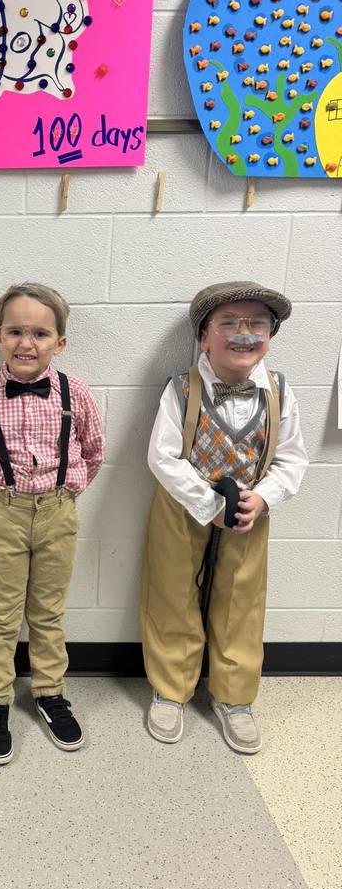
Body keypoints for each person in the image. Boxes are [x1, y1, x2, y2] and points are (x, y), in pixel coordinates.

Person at [141, 281, 308, 754]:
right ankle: (171, 688)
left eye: (256, 323)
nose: (243, 333)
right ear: (204, 335)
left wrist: (263, 497)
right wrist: (210, 504)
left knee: (242, 601)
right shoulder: (181, 389)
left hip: (249, 511)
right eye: (229, 323)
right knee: (172, 593)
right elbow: (163, 457)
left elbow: (292, 458)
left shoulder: (279, 392)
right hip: (184, 508)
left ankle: (234, 697)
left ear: (270, 335)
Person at [0, 283, 104, 764]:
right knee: (0, 613)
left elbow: (95, 452)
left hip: (59, 511)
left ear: (59, 343)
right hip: (2, 511)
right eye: (15, 331)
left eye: (40, 333)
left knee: (48, 611)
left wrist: (65, 495)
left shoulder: (73, 392)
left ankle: (49, 692)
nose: (26, 343)